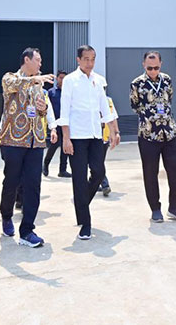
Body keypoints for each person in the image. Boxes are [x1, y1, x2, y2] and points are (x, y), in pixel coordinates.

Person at [59, 45, 119, 240]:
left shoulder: (98, 80)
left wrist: (112, 130)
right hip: (76, 136)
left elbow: (104, 105)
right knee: (79, 177)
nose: (90, 63)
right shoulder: (70, 81)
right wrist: (66, 138)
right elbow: (65, 110)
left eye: (92, 59)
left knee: (99, 172)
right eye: (86, 59)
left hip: (95, 134)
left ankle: (81, 203)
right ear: (78, 60)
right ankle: (86, 223)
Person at [0, 49, 54, 248]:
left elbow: (41, 111)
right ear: (26, 60)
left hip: (35, 141)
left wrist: (43, 108)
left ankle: (27, 230)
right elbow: (13, 85)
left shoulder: (38, 84)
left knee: (33, 186)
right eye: (38, 60)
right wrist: (36, 79)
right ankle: (6, 215)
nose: (40, 64)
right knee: (11, 182)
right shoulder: (10, 78)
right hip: (13, 140)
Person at [130, 51, 176, 223]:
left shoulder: (167, 80)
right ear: (143, 65)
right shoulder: (137, 84)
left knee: (175, 170)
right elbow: (134, 105)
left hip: (169, 133)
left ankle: (175, 207)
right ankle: (155, 209)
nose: (153, 71)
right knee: (150, 172)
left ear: (161, 64)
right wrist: (151, 114)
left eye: (156, 67)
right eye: (150, 68)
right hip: (148, 134)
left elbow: (169, 99)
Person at [42, 71, 70, 178]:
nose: (62, 80)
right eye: (61, 78)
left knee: (65, 146)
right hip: (55, 123)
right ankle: (46, 164)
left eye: (64, 78)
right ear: (57, 79)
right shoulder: (51, 92)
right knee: (54, 145)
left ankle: (62, 170)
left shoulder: (68, 92)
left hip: (66, 124)